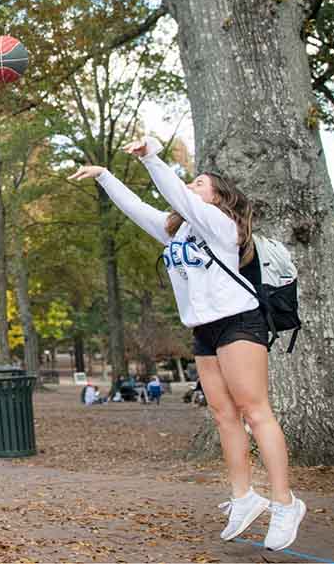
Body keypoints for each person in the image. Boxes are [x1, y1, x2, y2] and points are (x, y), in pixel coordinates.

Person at [70, 137, 305, 551]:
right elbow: (138, 209)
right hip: (204, 329)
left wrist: (152, 157)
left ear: (217, 198)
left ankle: (286, 502)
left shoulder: (222, 226)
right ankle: (244, 496)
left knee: (254, 410)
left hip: (240, 321)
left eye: (199, 183)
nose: (191, 188)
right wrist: (105, 176)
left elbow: (175, 192)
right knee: (222, 413)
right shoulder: (175, 232)